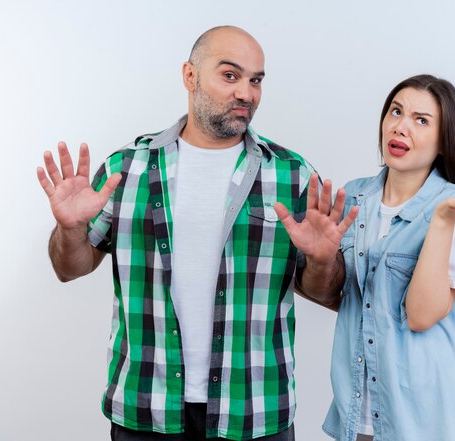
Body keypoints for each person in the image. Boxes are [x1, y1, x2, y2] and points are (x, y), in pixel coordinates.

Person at [36, 26, 313, 441]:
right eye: (231, 75)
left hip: (255, 409)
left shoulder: (292, 175)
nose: (247, 93)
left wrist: (326, 261)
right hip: (146, 406)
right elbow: (68, 268)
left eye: (256, 80)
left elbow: (327, 290)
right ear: (189, 76)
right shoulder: (125, 169)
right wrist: (69, 229)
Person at [274, 74, 455, 441]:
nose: (400, 127)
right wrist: (320, 258)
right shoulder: (353, 198)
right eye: (396, 111)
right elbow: (339, 296)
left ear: (445, 140)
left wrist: (442, 222)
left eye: (421, 120)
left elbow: (420, 315)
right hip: (358, 413)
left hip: (430, 420)